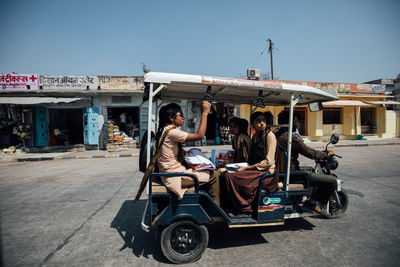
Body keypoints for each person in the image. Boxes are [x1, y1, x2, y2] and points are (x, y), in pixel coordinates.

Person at [155, 101, 220, 205]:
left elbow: (178, 154)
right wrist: (205, 113)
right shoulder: (172, 132)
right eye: (180, 115)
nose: (183, 118)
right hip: (174, 176)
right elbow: (200, 135)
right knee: (214, 175)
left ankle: (205, 203)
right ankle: (215, 210)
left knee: (202, 164)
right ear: (171, 118)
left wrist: (193, 165)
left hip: (172, 172)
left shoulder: (167, 130)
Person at [275, 110, 336, 212]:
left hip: (283, 170)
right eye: (295, 121)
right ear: (290, 122)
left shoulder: (277, 134)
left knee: (311, 170)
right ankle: (312, 203)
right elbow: (311, 153)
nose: (297, 124)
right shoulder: (290, 138)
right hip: (291, 173)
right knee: (332, 181)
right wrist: (326, 154)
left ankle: (302, 199)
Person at [224, 111, 279, 214]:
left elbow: (268, 162)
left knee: (233, 177)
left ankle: (245, 206)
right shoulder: (255, 136)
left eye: (263, 121)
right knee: (228, 174)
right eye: (258, 121)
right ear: (253, 124)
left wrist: (246, 168)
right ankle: (236, 204)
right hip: (257, 170)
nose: (262, 123)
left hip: (267, 172)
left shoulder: (269, 136)